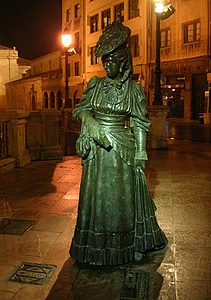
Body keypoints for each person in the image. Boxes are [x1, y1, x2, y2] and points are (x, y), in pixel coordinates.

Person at [69, 22, 167, 266]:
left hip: (121, 150)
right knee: (97, 199)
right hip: (97, 150)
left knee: (121, 199)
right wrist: (89, 122)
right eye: (105, 61)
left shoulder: (134, 91)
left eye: (112, 61)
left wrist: (142, 151)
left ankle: (124, 245)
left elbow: (139, 122)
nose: (107, 65)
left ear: (124, 62)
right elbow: (79, 110)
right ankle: (93, 248)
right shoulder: (95, 85)